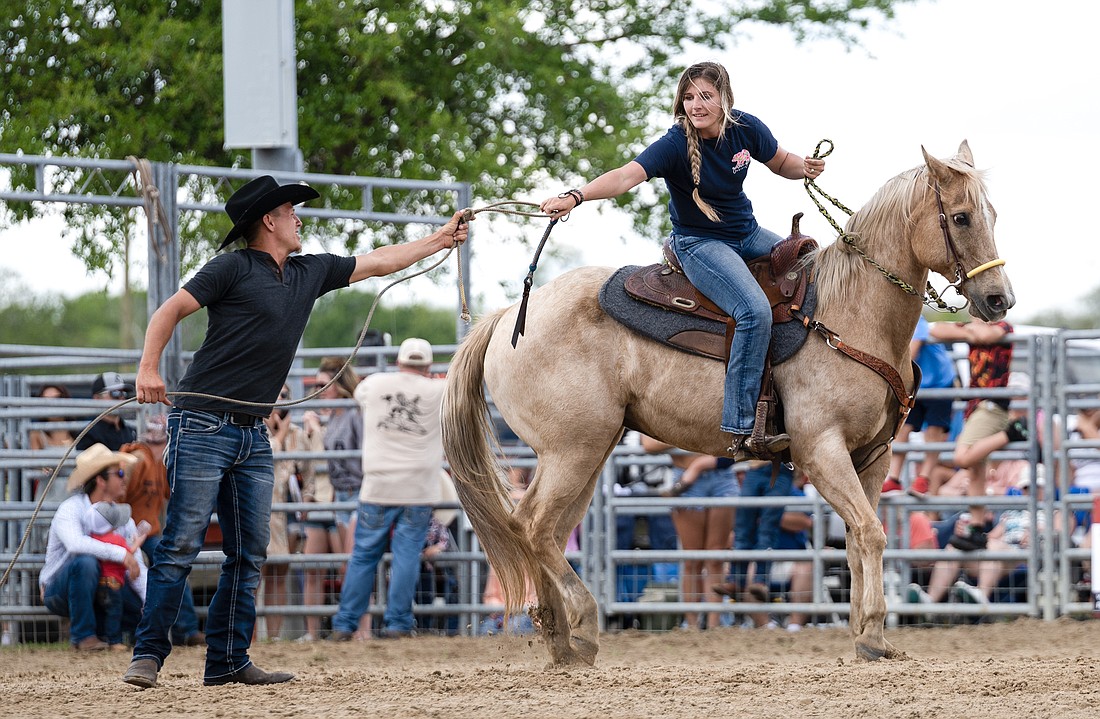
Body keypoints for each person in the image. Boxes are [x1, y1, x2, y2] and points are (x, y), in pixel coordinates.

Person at [123, 176, 468, 689]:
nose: (299, 218)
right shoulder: (230, 268)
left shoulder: (309, 272)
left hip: (251, 431)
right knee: (181, 544)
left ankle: (228, 660)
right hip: (201, 422)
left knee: (250, 551)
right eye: (291, 211)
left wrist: (438, 240)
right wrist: (148, 368)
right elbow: (169, 310)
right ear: (269, 221)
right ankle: (148, 654)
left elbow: (378, 260)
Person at [539, 61, 824, 459]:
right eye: (689, 97)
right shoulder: (674, 144)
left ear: (725, 98)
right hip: (699, 243)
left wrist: (805, 168)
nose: (696, 105)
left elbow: (781, 162)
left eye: (705, 96)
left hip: (747, 234)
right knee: (754, 311)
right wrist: (576, 196)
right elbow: (625, 176)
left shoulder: (746, 129)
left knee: (816, 271)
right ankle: (743, 426)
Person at [329, 338, 447, 640]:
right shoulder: (440, 390)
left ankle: (345, 624)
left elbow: (359, 394)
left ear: (399, 362)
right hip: (418, 489)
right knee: (406, 555)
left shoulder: (375, 384)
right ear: (429, 366)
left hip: (378, 486)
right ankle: (398, 623)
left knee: (363, 555)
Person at [40, 443, 142, 651]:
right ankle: (84, 636)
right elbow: (75, 544)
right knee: (86, 563)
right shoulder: (71, 508)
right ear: (100, 480)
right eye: (119, 473)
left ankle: (105, 634)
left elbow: (135, 563)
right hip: (60, 589)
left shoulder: (123, 517)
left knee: (139, 608)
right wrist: (121, 553)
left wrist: (145, 599)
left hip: (105, 586)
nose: (124, 478)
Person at [929, 317, 1015, 549]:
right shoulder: (972, 327)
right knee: (977, 471)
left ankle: (1012, 434)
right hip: (976, 406)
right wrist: (970, 332)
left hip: (992, 404)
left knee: (962, 458)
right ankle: (977, 528)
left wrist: (968, 332)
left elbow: (988, 336)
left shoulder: (1003, 325)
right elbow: (936, 329)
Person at [120, 415, 205, 648]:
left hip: (146, 533)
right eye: (156, 442)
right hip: (128, 533)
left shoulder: (159, 463)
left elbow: (169, 492)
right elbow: (118, 494)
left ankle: (184, 629)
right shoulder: (137, 461)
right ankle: (185, 629)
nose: (158, 447)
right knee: (170, 565)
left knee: (171, 566)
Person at [642, 435, 735, 630]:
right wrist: (693, 436)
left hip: (721, 477)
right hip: (686, 477)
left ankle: (714, 625)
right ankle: (692, 625)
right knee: (692, 559)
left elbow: (733, 440)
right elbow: (648, 443)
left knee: (716, 557)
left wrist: (697, 458)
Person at [299, 358, 362, 641]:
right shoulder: (330, 416)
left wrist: (316, 430)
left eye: (324, 384)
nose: (319, 390)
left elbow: (338, 456)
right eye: (317, 385)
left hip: (347, 494)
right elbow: (312, 465)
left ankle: (357, 629)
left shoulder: (350, 414)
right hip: (327, 497)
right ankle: (315, 633)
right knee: (314, 568)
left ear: (339, 384)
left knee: (350, 566)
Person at [261, 385, 315, 641]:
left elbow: (309, 473)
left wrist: (306, 500)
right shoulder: (254, 429)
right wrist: (279, 435)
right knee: (254, 575)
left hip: (288, 515)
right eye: (276, 394)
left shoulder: (298, 435)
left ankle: (273, 636)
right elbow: (267, 459)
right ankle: (248, 638)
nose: (279, 400)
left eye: (284, 396)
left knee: (279, 574)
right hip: (262, 512)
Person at [883, 315, 958, 497]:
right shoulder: (888, 320)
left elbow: (912, 353)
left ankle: (924, 479)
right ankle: (894, 479)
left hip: (939, 383)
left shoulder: (915, 318)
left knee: (933, 431)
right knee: (902, 429)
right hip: (916, 383)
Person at [714, 461, 793, 615]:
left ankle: (753, 581)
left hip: (775, 468)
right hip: (765, 467)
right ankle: (741, 581)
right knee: (746, 528)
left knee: (763, 529)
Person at [82, 501, 149, 650]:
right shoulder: (117, 539)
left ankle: (105, 637)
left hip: (99, 585)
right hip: (113, 585)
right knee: (115, 611)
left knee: (105, 612)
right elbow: (129, 553)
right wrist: (138, 542)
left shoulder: (93, 539)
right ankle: (114, 641)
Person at [76, 372, 137, 450]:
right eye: (115, 393)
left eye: (123, 393)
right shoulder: (88, 435)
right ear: (97, 398)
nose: (121, 398)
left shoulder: (131, 431)